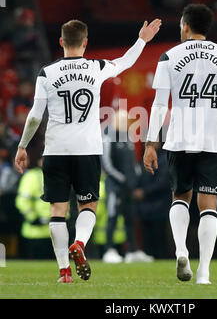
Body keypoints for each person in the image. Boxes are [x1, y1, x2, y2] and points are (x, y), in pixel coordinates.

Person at [14, 18, 162, 283]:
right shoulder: (96, 67)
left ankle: (63, 272)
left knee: (57, 211)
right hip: (87, 150)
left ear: (61, 42)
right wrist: (143, 40)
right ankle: (79, 243)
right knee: (88, 205)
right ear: (85, 43)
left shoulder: (46, 73)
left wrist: (23, 146)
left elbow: (35, 116)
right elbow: (127, 61)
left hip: (55, 150)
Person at [143, 3, 217, 284]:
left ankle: (181, 250)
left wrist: (151, 143)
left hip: (178, 138)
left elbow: (160, 104)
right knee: (208, 204)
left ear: (185, 25)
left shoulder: (168, 56)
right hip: (214, 139)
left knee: (180, 197)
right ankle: (204, 272)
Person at [102, 109, 153, 263]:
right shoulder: (108, 137)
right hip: (114, 186)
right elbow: (107, 164)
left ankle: (132, 251)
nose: (128, 124)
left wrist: (135, 176)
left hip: (128, 187)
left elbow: (133, 161)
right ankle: (109, 250)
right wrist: (122, 179)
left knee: (130, 218)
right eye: (125, 121)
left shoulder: (129, 137)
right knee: (112, 217)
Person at [133, 145, 171, 259]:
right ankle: (149, 257)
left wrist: (144, 192)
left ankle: (161, 259)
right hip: (145, 206)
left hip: (159, 204)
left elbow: (163, 182)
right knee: (147, 238)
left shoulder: (164, 159)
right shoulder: (142, 158)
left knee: (159, 237)